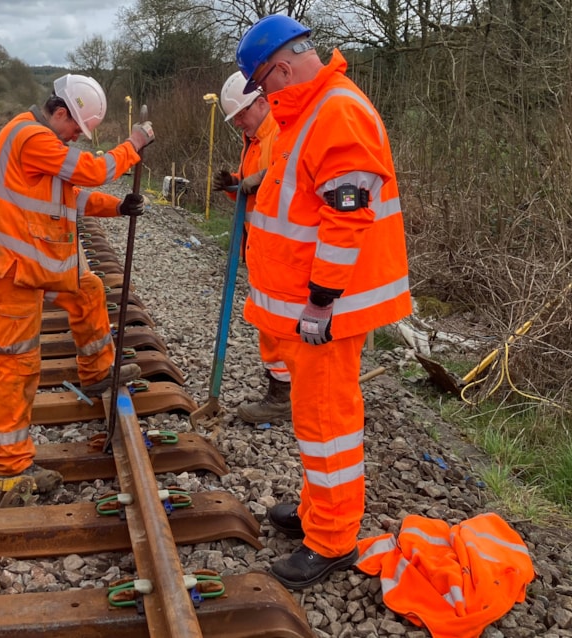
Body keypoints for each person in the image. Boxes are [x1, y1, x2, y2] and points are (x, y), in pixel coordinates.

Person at [234, 14, 412, 589]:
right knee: (314, 422)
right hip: (311, 307)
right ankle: (318, 514)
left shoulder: (336, 111)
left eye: (264, 85)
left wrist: (320, 300)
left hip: (328, 312)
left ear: (282, 68)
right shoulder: (310, 109)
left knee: (327, 423)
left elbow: (347, 214)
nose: (267, 97)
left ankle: (333, 539)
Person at [0, 74, 155, 492]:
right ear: (59, 113)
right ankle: (13, 463)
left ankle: (96, 371)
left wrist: (118, 207)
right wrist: (134, 146)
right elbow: (91, 172)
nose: (76, 137)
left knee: (87, 291)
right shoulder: (31, 137)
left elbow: (68, 196)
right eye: (76, 128)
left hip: (30, 262)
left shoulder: (42, 145)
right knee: (19, 363)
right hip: (13, 269)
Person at [210, 70, 291, 424]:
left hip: (283, 250)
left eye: (241, 115)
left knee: (276, 323)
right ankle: (285, 388)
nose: (238, 123)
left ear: (261, 103)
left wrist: (263, 180)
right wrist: (235, 184)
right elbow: (251, 192)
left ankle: (282, 395)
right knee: (267, 320)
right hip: (261, 248)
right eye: (235, 119)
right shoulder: (255, 138)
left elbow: (286, 179)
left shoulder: (281, 132)